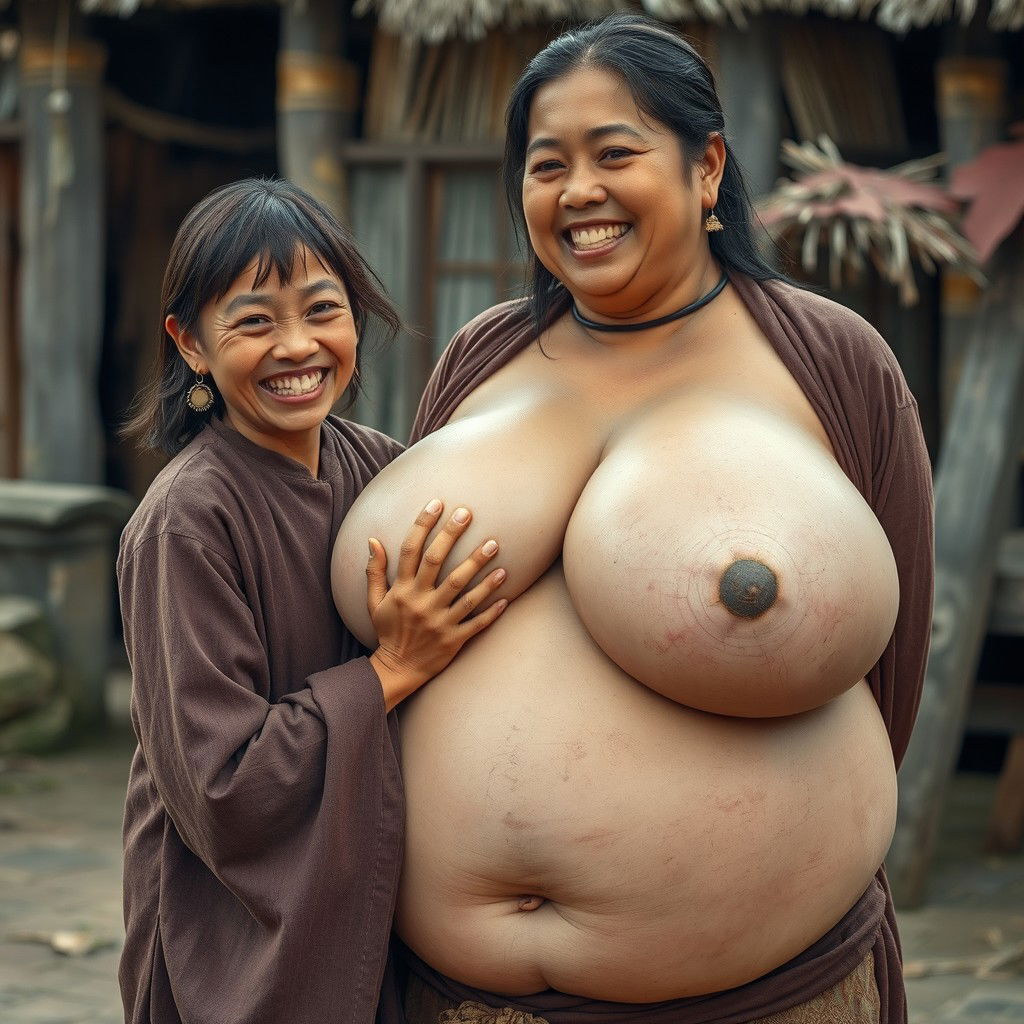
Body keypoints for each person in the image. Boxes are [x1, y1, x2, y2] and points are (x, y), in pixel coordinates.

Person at [332, 13, 933, 1024]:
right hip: (461, 1003)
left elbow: (893, 660)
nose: (578, 192)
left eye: (615, 153)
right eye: (545, 164)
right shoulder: (481, 357)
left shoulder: (830, 360)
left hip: (762, 999)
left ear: (706, 167)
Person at [116, 178, 511, 1023]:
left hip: (369, 892)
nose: (298, 347)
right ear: (191, 345)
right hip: (230, 930)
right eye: (254, 322)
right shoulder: (185, 524)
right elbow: (224, 789)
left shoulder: (382, 469)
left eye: (322, 311)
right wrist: (393, 670)